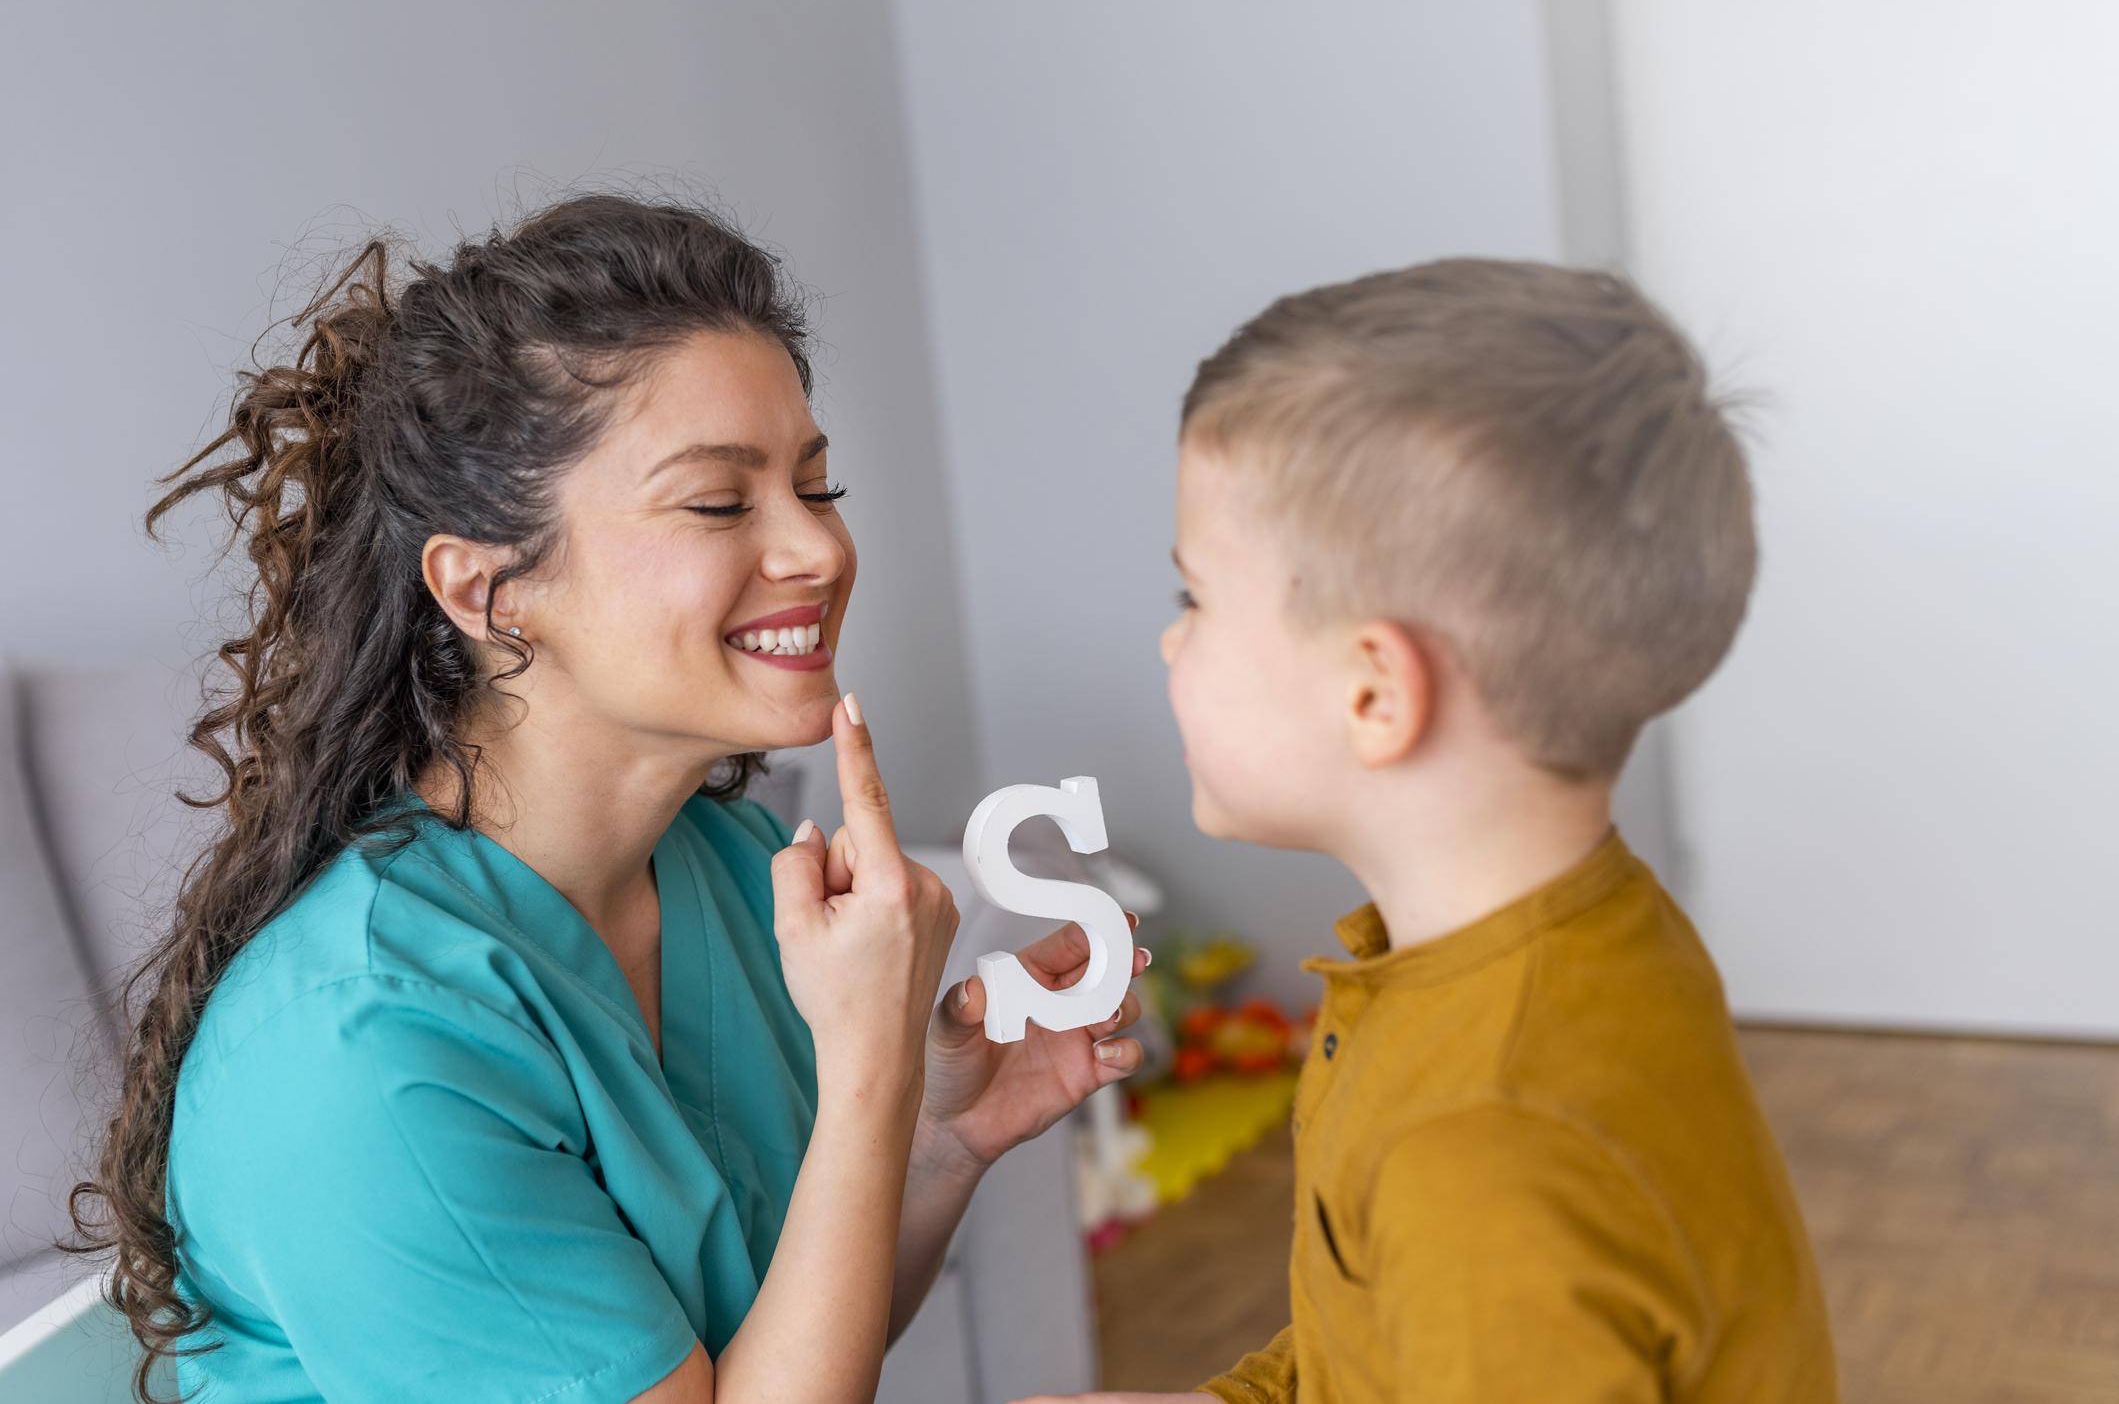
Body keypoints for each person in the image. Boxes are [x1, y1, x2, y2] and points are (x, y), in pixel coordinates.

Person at [66, 193, 1149, 1404]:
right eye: (719, 501)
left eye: (817, 485)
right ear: (487, 589)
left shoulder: (729, 866)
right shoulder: (366, 1046)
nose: (820, 550)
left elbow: (784, 1354)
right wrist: (865, 1070)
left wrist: (939, 1139)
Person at [1023, 260, 1835, 1402]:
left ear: (1373, 693)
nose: (1171, 645)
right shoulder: (1576, 935)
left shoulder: (1487, 1149)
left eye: (1191, 601)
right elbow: (1383, 1352)